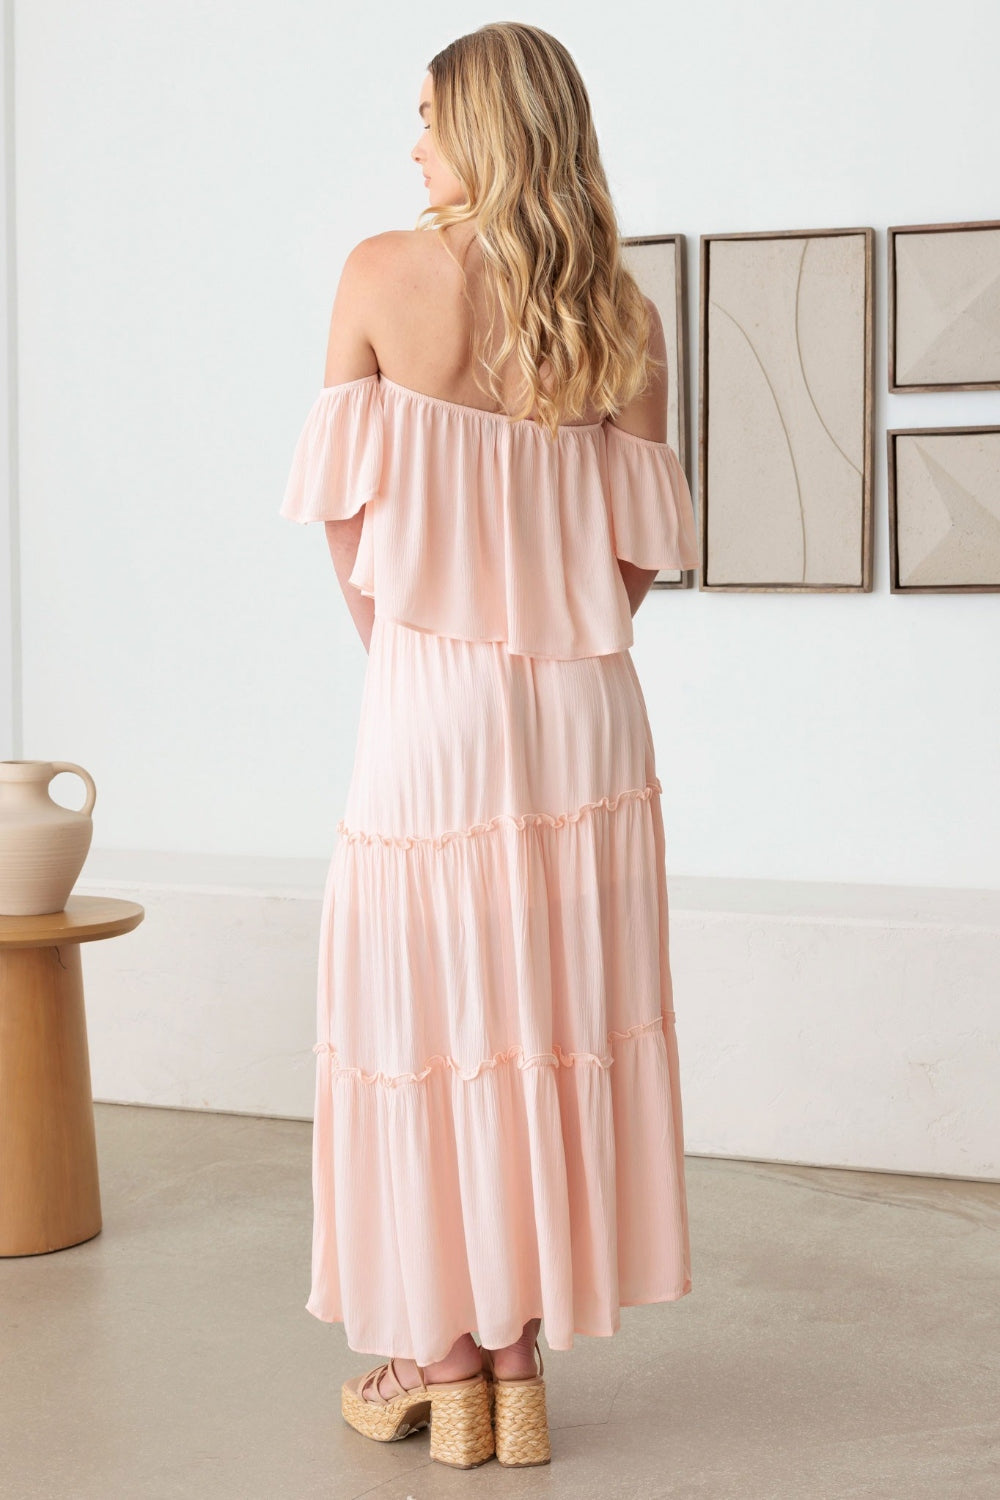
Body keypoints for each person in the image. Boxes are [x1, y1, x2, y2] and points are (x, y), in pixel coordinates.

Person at [279, 22, 698, 1470]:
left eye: (429, 117)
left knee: (429, 1026)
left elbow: (345, 523)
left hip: (433, 702)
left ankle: (442, 1358)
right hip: (585, 716)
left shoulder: (381, 275)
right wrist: (556, 616)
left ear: (487, 129)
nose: (412, 146)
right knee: (541, 1022)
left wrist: (411, 658)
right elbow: (636, 558)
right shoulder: (622, 313)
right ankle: (517, 1363)